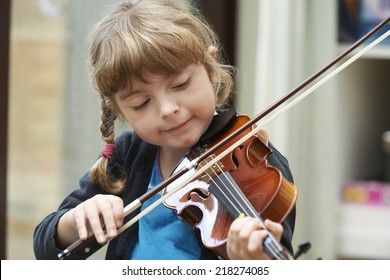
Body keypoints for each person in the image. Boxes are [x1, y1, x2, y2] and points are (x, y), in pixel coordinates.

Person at [33, 0, 296, 260]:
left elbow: (273, 255)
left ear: (211, 68)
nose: (167, 109)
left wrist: (253, 261)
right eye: (141, 103)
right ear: (118, 109)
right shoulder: (128, 155)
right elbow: (45, 246)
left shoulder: (258, 161)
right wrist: (76, 220)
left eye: (181, 84)